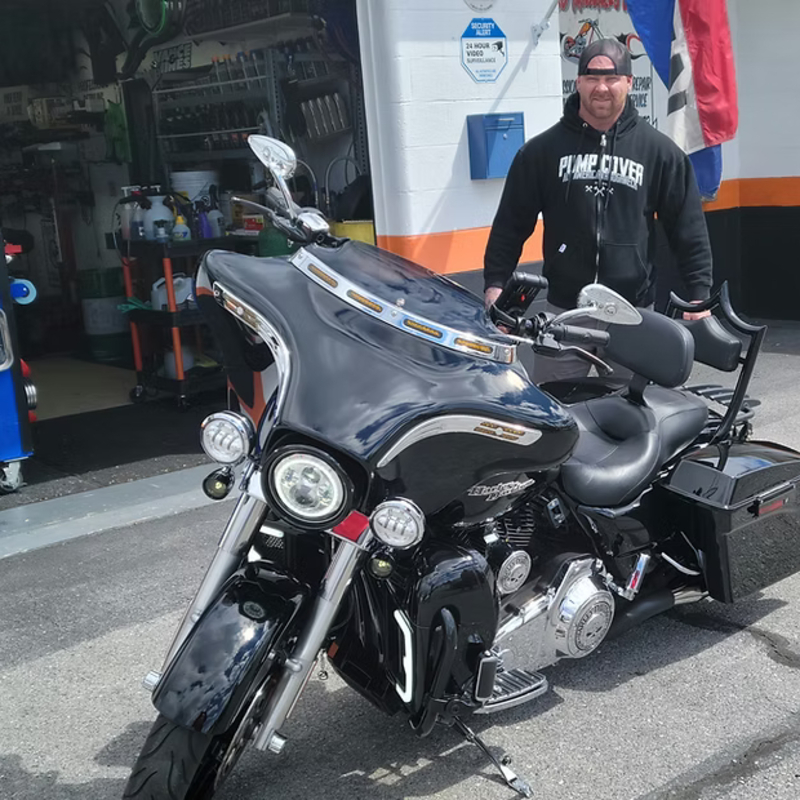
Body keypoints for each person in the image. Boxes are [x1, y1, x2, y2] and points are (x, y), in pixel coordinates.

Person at [483, 38, 712, 384]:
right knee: (557, 417)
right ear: (578, 82)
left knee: (635, 419)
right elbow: (510, 225)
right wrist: (496, 284)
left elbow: (688, 228)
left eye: (611, 78)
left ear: (629, 83)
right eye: (591, 78)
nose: (601, 87)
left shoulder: (660, 153)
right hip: (564, 314)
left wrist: (698, 294)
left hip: (633, 316)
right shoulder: (541, 153)